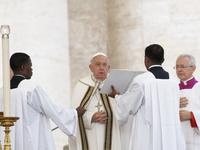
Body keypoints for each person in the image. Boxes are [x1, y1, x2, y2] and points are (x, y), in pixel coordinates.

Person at [0, 52, 86, 150]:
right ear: (23, 67)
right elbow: (52, 109)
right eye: (30, 66)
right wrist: (74, 113)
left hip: (8, 142)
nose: (32, 69)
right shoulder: (31, 88)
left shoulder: (3, 91)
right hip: (31, 143)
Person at [109, 44, 185, 150]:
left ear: (147, 59)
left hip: (148, 138)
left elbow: (126, 106)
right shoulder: (173, 81)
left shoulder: (142, 81)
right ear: (163, 60)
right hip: (170, 137)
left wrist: (116, 96)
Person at [68, 53, 122, 150]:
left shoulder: (116, 85)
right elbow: (73, 115)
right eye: (98, 64)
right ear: (91, 68)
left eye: (104, 65)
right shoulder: (81, 86)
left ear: (108, 67)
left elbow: (125, 113)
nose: (101, 68)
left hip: (113, 138)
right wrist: (91, 117)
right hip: (89, 137)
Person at [176, 54, 200, 150]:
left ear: (193, 68)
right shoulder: (172, 90)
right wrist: (173, 105)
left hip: (195, 141)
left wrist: (191, 115)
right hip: (176, 139)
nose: (179, 70)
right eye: (177, 67)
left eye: (183, 66)